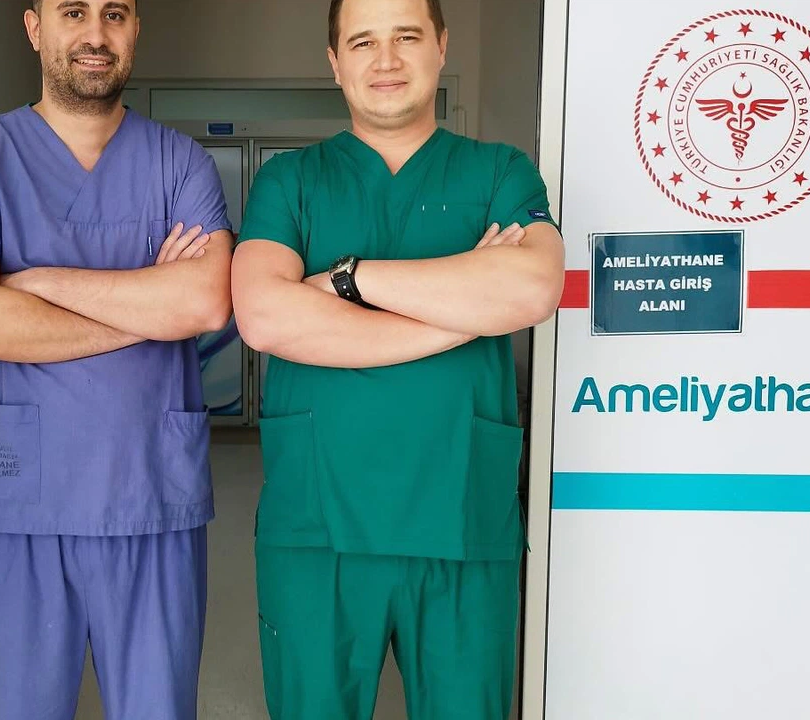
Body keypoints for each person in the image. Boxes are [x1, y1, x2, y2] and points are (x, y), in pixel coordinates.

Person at [232, 0, 565, 717]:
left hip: (461, 519)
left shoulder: (499, 171)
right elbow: (263, 316)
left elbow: (535, 288)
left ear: (441, 46)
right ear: (335, 62)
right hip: (316, 525)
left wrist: (349, 280)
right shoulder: (290, 180)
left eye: (406, 36)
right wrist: (464, 315)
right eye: (362, 42)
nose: (385, 60)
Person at [0, 1, 233, 718]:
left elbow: (205, 303)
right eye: (73, 12)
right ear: (35, 28)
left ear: (135, 29)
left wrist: (36, 283)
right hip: (15, 505)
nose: (95, 34)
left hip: (149, 495)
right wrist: (145, 309)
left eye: (114, 14)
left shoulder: (179, 162)